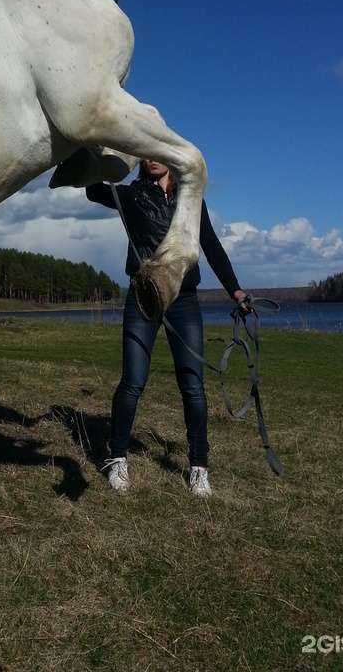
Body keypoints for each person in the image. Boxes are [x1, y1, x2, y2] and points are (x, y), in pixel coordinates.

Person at [86, 158, 248, 498]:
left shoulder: (191, 199)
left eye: (157, 152)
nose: (152, 158)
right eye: (145, 153)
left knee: (192, 386)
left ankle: (198, 468)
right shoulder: (131, 195)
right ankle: (117, 459)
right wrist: (96, 155)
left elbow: (212, 246)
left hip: (185, 300)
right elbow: (92, 191)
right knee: (132, 382)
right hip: (143, 298)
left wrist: (235, 291)